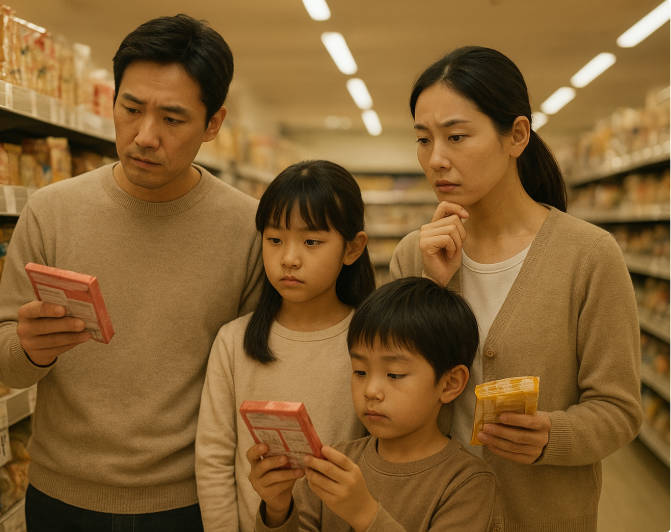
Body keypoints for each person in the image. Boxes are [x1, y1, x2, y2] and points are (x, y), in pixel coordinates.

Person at [0, 14, 264, 531]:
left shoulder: (248, 229)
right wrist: (29, 348)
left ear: (214, 123)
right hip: (61, 497)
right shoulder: (51, 212)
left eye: (173, 119)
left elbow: (253, 372)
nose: (145, 136)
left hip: (191, 501)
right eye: (130, 109)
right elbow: (3, 358)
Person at [390, 45, 642, 531]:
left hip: (544, 516)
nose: (436, 159)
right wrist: (431, 293)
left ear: (517, 136)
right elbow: (391, 389)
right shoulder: (414, 254)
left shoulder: (588, 255)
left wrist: (554, 435)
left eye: (457, 136)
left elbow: (619, 408)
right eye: (423, 140)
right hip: (430, 514)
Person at [195, 160, 375, 531]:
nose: (289, 259)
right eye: (275, 240)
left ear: (353, 248)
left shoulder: (372, 342)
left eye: (311, 242)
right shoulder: (234, 342)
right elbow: (213, 460)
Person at [248, 277, 496, 531]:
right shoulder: (335, 463)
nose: (371, 391)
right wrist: (277, 510)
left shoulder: (467, 481)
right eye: (360, 372)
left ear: (450, 384)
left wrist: (364, 514)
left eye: (394, 374)